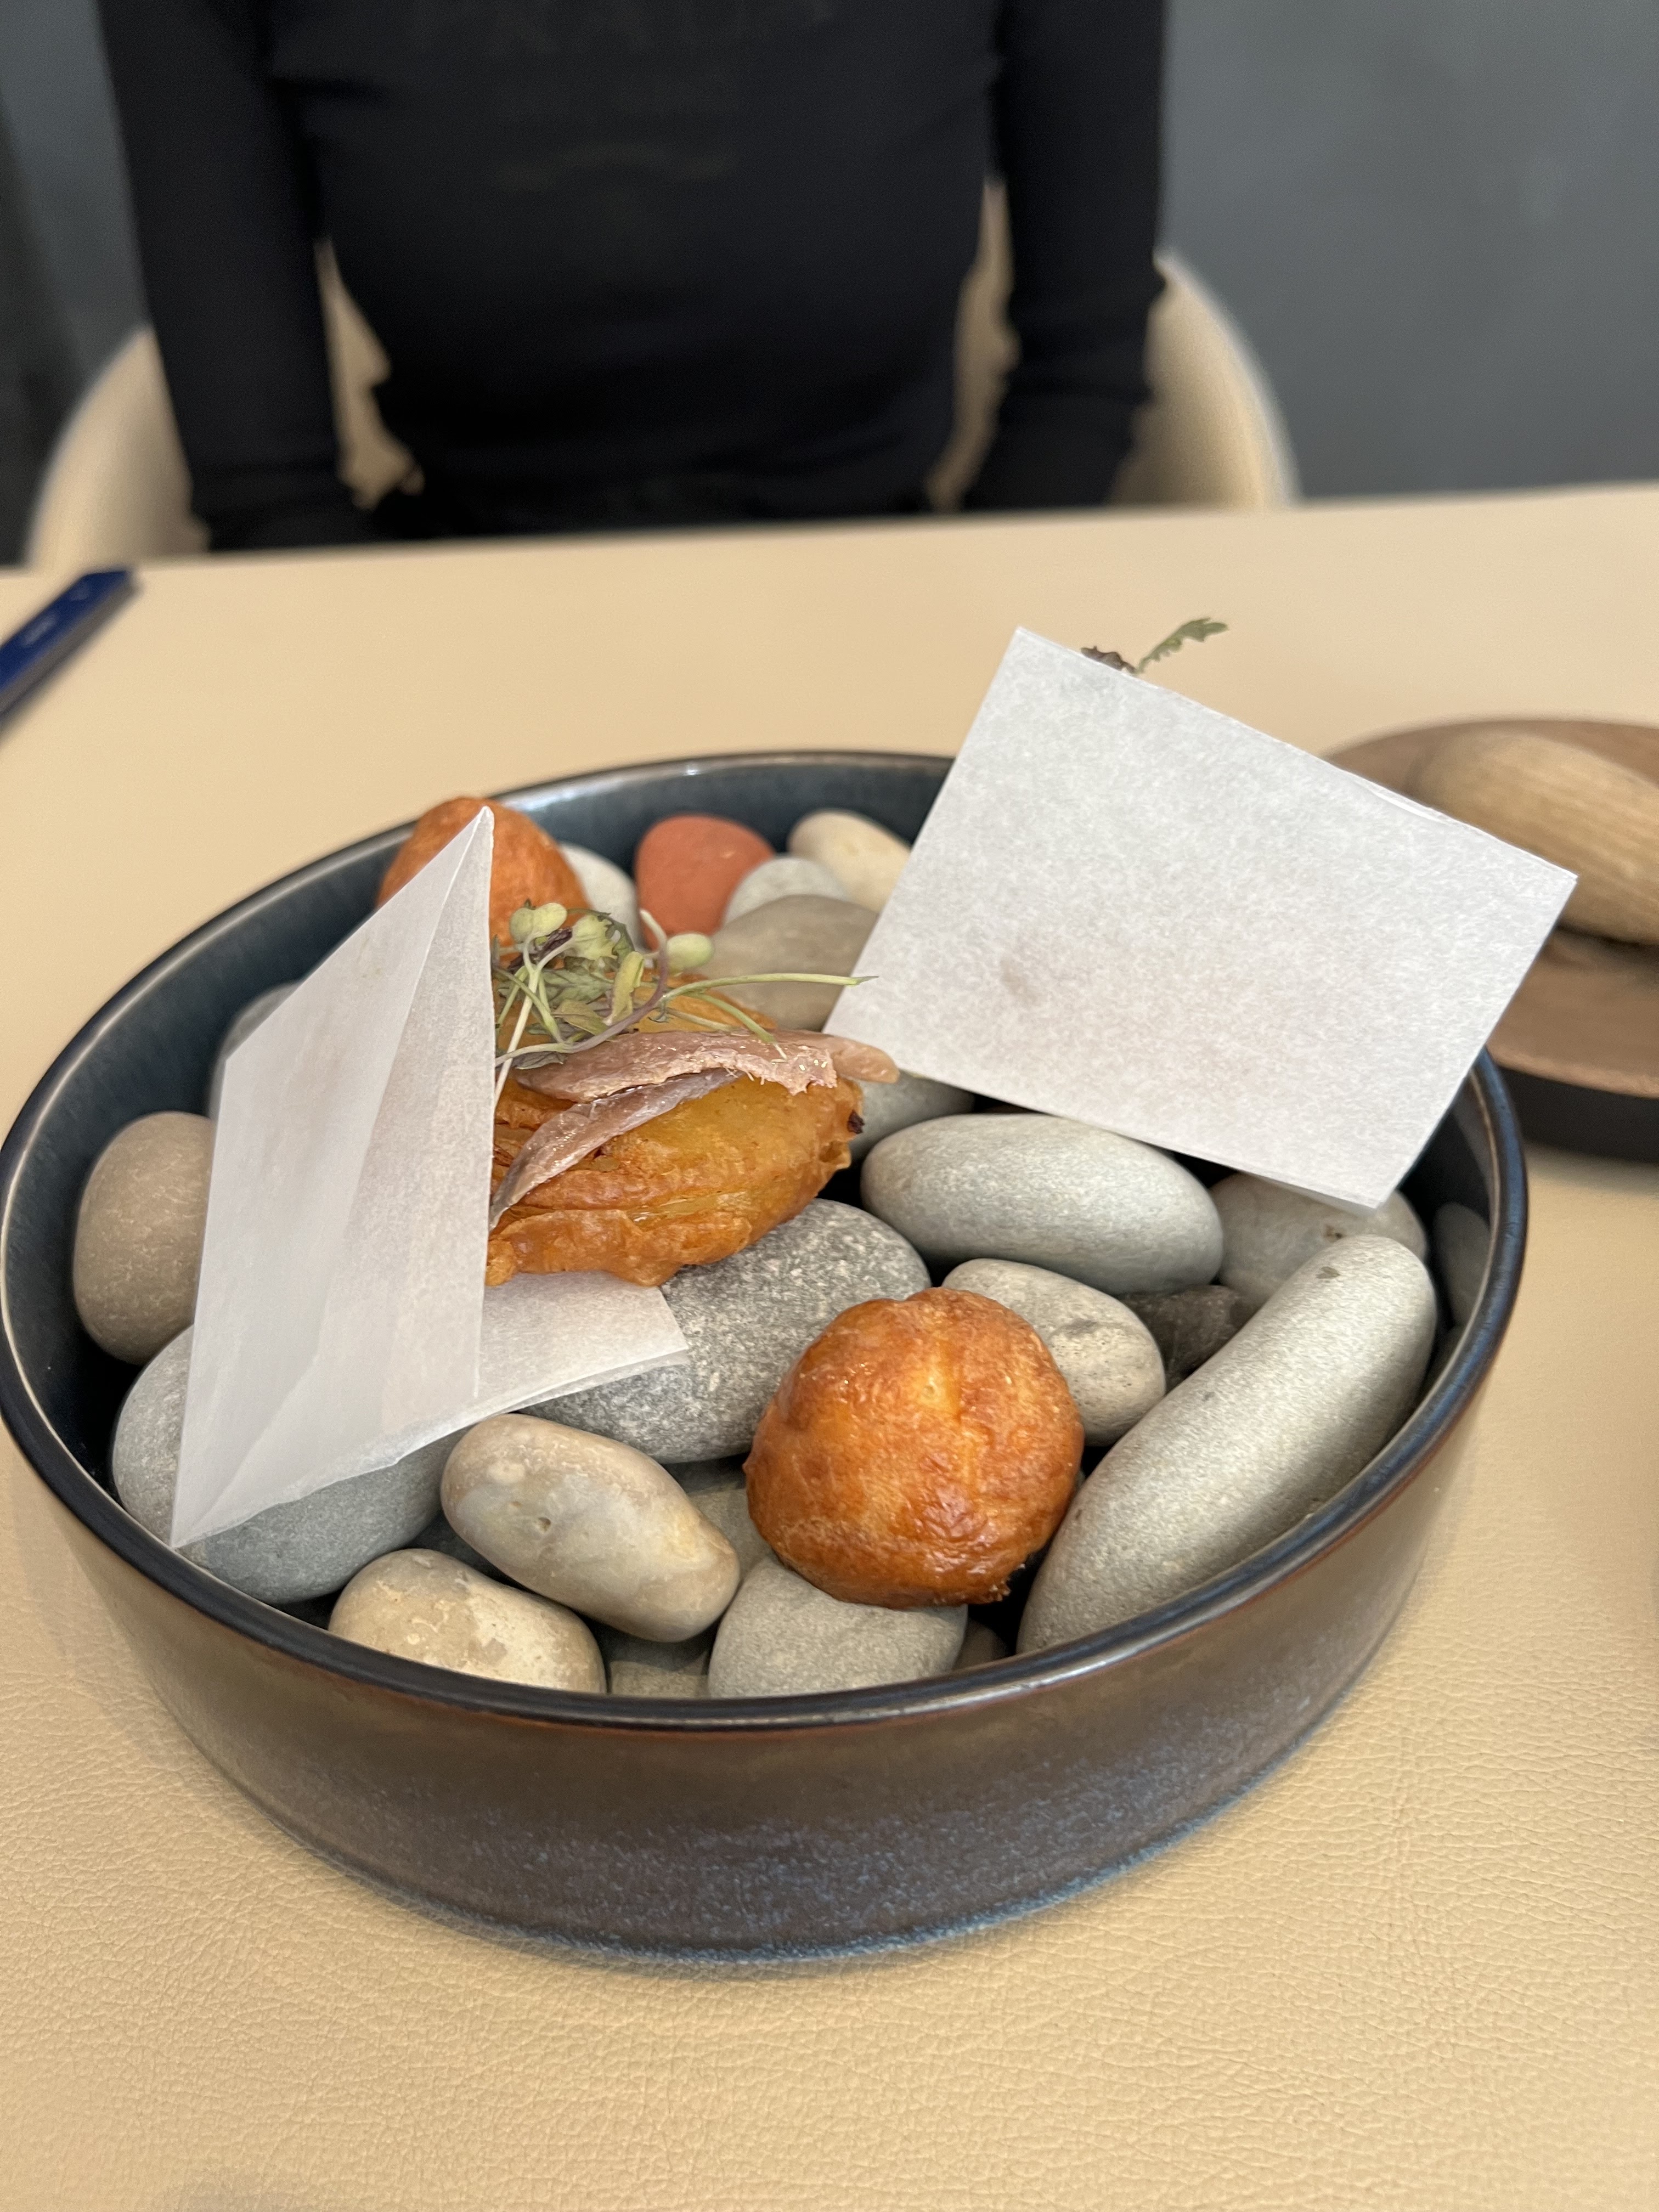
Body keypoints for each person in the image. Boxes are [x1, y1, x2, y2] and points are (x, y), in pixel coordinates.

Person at [97, 1, 1164, 553]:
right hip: (444, 599)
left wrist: (982, 638)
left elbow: (1084, 368)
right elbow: (267, 491)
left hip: (889, 574)